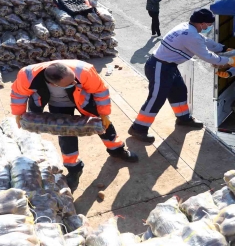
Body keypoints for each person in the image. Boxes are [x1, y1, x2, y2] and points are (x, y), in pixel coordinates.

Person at [11, 60, 139, 191]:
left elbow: (100, 91)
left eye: (74, 80)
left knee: (103, 125)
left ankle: (117, 150)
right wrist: (18, 113)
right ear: (52, 84)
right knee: (66, 134)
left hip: (83, 99)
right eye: (69, 84)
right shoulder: (27, 75)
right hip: (58, 104)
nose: (74, 83)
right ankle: (74, 168)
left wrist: (104, 113)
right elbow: (18, 94)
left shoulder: (84, 70)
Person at [128, 8, 235, 143]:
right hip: (159, 67)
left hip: (168, 67)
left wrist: (224, 49)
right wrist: (230, 61)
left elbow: (204, 41)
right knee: (156, 98)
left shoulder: (186, 27)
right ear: (202, 24)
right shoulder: (191, 36)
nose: (209, 27)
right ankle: (138, 128)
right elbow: (207, 56)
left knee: (179, 91)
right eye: (209, 25)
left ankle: (183, 118)